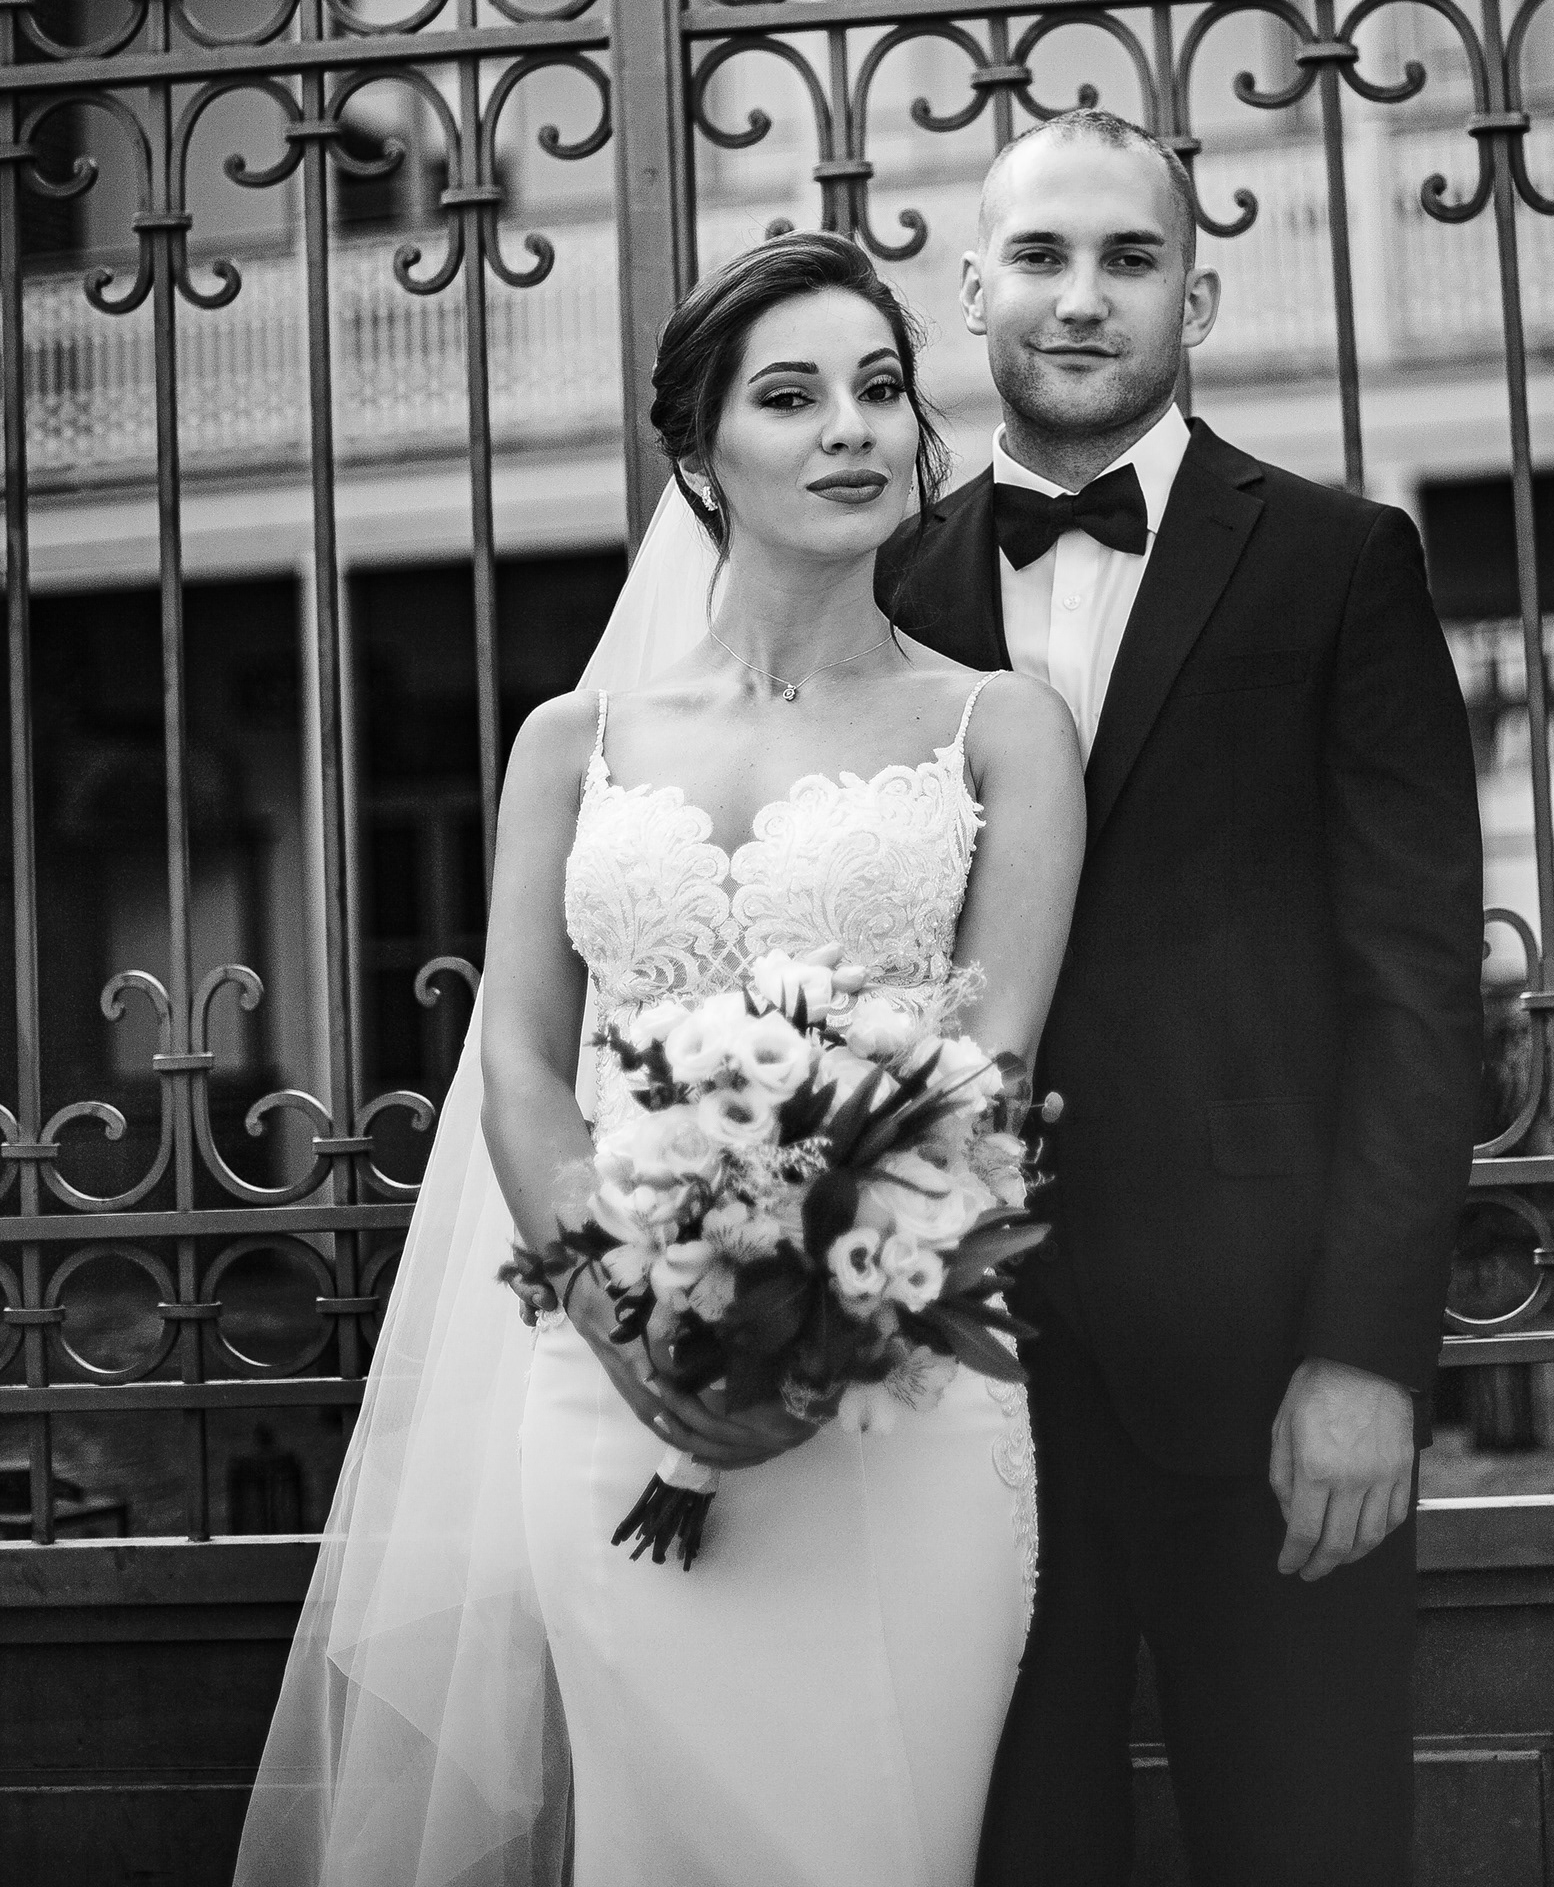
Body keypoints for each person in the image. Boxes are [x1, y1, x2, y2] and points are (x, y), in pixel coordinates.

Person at [233, 232, 1083, 1887]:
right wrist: (626, 1320)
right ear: (699, 449)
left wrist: (821, 1322)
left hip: (893, 1393)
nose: (851, 428)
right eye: (792, 396)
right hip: (604, 1379)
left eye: (879, 388)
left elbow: (987, 1066)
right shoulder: (573, 744)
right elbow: (520, 1066)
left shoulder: (1004, 728)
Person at [877, 109, 1486, 1887]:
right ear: (971, 288)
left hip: (1267, 1374)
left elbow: (1417, 988)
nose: (1083, 298)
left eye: (1130, 260)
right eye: (1042, 257)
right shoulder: (885, 584)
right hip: (944, 1386)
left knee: (1308, 1846)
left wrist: (1366, 1356)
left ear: (1195, 299)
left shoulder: (1340, 561)